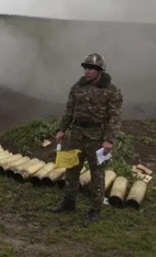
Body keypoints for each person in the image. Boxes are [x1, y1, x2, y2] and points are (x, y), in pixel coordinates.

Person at [51, 53, 123, 222]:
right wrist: (62, 129)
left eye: (92, 69)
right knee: (71, 170)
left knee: (97, 173)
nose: (88, 71)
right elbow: (69, 110)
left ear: (100, 70)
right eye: (86, 68)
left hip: (97, 137)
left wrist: (109, 140)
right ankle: (69, 203)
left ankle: (95, 209)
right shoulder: (77, 87)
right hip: (76, 134)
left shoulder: (111, 91)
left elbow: (115, 117)